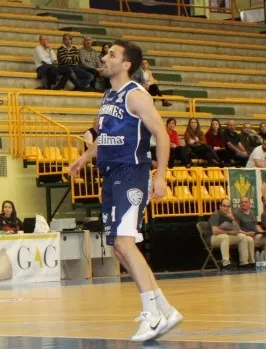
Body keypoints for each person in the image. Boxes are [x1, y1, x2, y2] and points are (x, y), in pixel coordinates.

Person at [69, 40, 182, 342]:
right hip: (112, 175)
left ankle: (152, 314)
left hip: (133, 173)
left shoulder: (137, 95)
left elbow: (162, 135)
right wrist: (84, 157)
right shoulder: (108, 96)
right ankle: (164, 308)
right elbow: (105, 137)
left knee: (125, 242)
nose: (105, 58)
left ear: (126, 64)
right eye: (106, 53)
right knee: (119, 247)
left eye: (111, 55)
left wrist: (161, 176)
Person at [209, 199, 254, 269]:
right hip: (212, 238)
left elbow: (237, 229)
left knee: (242, 236)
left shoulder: (229, 216)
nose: (226, 208)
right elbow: (215, 231)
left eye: (228, 206)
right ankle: (225, 263)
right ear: (220, 206)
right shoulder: (216, 214)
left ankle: (244, 263)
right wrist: (230, 232)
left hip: (224, 237)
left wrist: (233, 219)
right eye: (224, 206)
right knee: (225, 236)